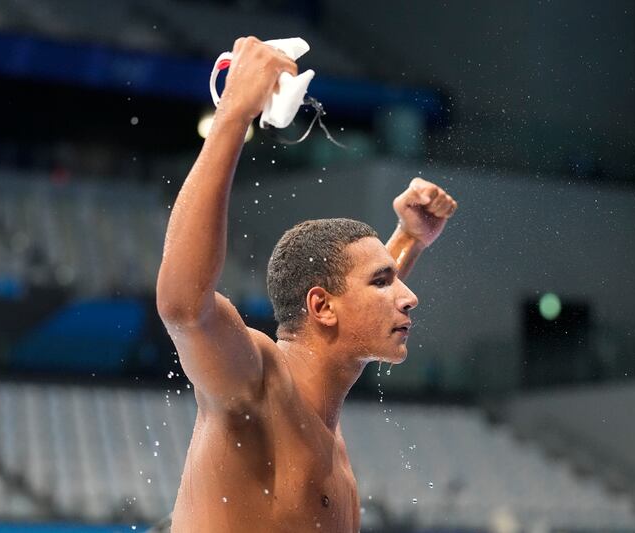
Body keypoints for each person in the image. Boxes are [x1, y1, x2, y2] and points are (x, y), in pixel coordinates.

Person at [155, 36, 458, 533]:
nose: (408, 295)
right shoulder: (257, 385)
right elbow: (184, 307)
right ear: (320, 307)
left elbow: (355, 299)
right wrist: (234, 112)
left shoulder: (325, 424)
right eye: (384, 281)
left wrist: (409, 239)